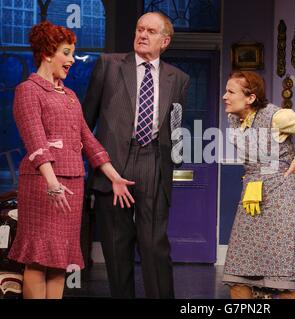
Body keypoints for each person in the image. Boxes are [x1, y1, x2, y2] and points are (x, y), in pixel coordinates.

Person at [8, 21, 135, 299]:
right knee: (38, 257)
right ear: (47, 53)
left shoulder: (70, 96)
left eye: (72, 53)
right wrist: (52, 183)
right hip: (43, 185)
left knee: (58, 260)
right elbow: (35, 141)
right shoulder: (28, 90)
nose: (72, 59)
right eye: (66, 52)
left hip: (73, 183)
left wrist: (113, 176)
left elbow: (88, 140)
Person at [82, 12, 189, 298]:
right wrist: (95, 166)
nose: (142, 35)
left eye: (151, 31)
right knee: (116, 248)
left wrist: (172, 164)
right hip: (111, 163)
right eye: (139, 29)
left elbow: (176, 128)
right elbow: (84, 121)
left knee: (154, 245)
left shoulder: (178, 79)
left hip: (153, 161)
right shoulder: (108, 65)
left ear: (164, 41)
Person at [222, 71, 295, 299]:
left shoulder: (276, 117)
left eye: (231, 92)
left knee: (283, 276)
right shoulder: (235, 118)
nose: (225, 96)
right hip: (252, 191)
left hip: (280, 193)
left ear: (250, 98)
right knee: (237, 274)